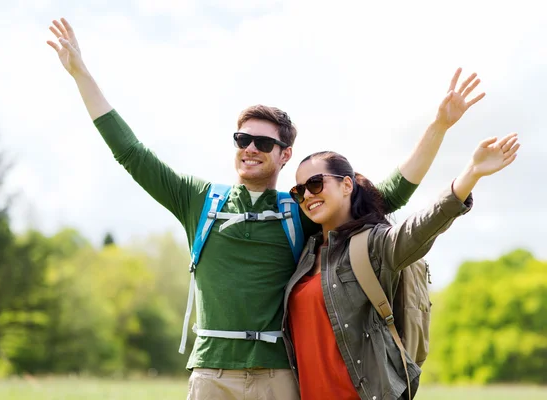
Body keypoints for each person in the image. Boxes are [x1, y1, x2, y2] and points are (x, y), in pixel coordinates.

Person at [46, 17, 486, 400]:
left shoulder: (301, 210)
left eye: (263, 142)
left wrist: (439, 126)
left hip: (279, 376)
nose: (250, 148)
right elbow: (131, 153)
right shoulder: (200, 200)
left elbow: (390, 193)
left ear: (284, 154)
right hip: (210, 375)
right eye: (242, 139)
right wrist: (81, 75)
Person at [282, 133, 520, 400]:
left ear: (346, 185)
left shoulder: (373, 245)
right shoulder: (305, 252)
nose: (306, 195)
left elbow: (419, 228)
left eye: (315, 184)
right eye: (298, 190)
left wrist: (471, 173)